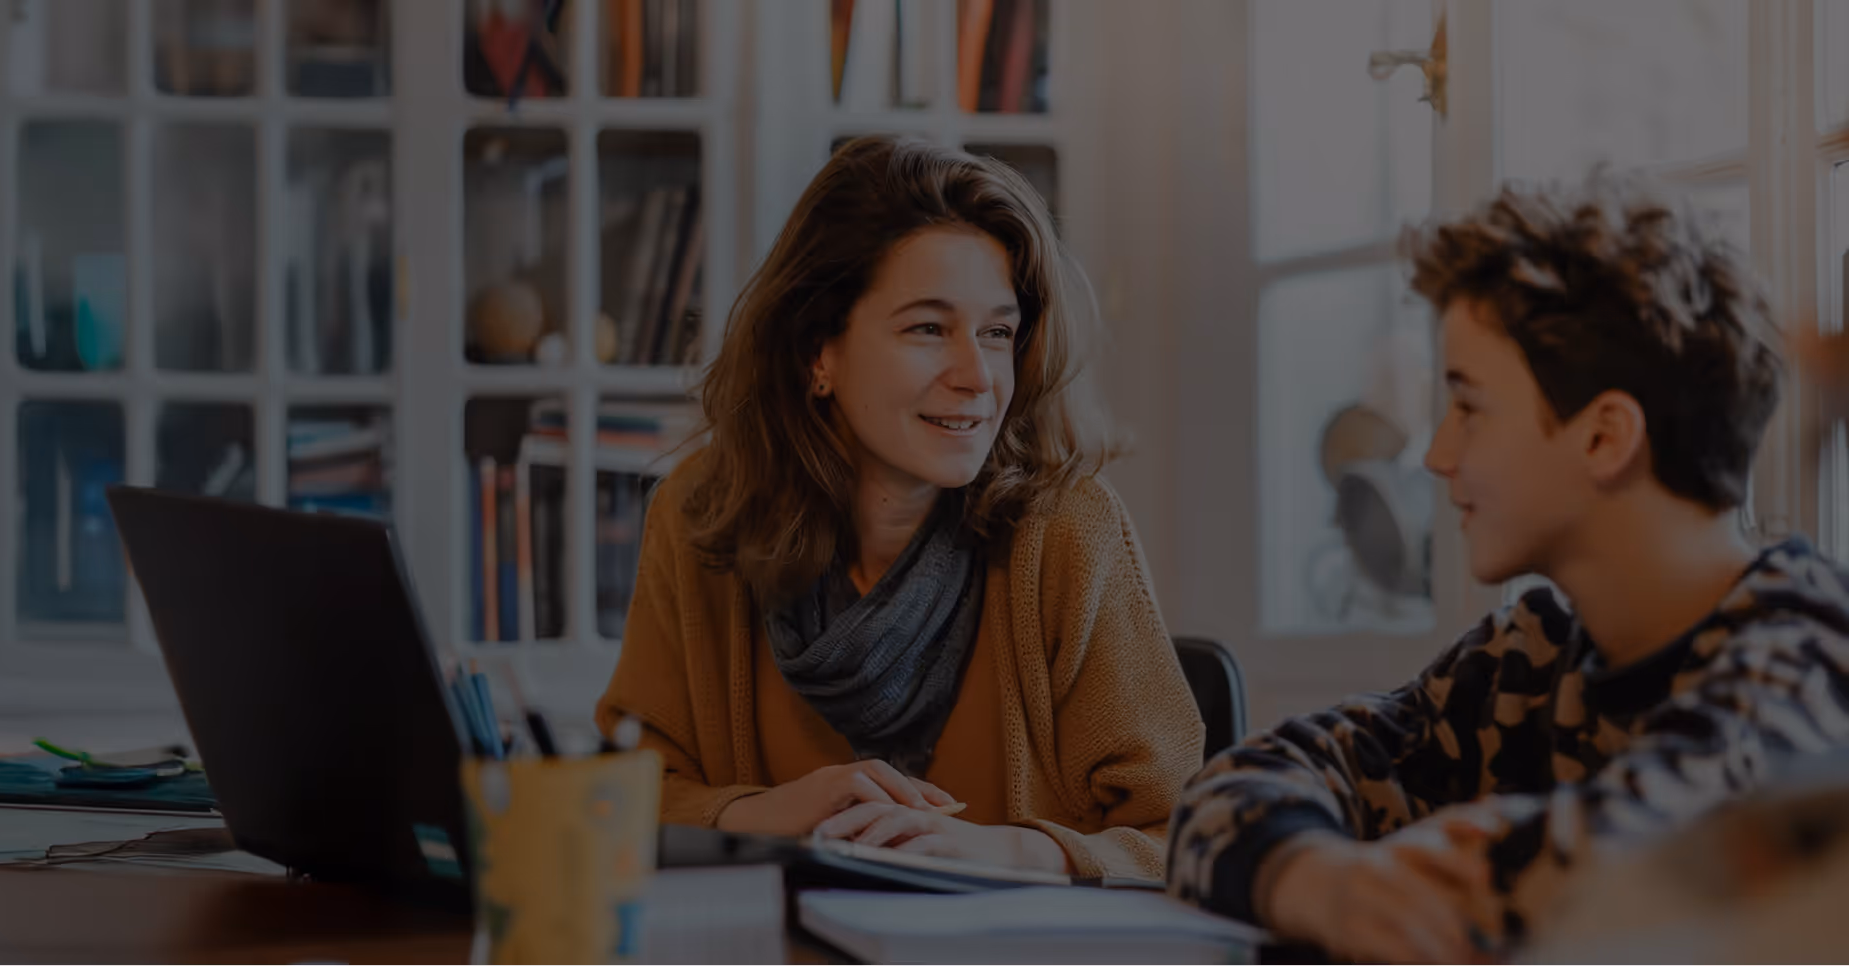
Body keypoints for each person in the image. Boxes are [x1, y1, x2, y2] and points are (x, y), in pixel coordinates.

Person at [1166, 174, 1849, 962]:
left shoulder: (1809, 652)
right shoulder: (1529, 653)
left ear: (1603, 437)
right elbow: (1233, 787)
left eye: (1468, 407)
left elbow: (1633, 878)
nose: (1435, 453)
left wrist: (1451, 858)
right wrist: (1318, 876)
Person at [594, 135, 1204, 879]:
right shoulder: (700, 516)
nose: (977, 375)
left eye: (997, 333)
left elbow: (1191, 836)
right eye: (927, 328)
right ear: (820, 350)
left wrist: (1008, 850)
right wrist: (769, 812)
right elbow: (623, 795)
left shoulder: (1068, 530)